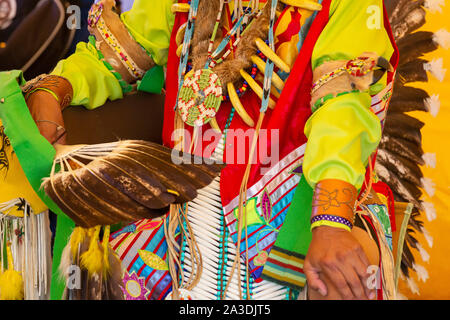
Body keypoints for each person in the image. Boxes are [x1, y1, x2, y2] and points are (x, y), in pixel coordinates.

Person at [3, 0, 399, 300]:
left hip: (300, 203)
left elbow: (342, 109)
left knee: (338, 280)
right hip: (184, 213)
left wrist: (332, 221)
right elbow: (116, 57)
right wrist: (56, 86)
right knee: (99, 276)